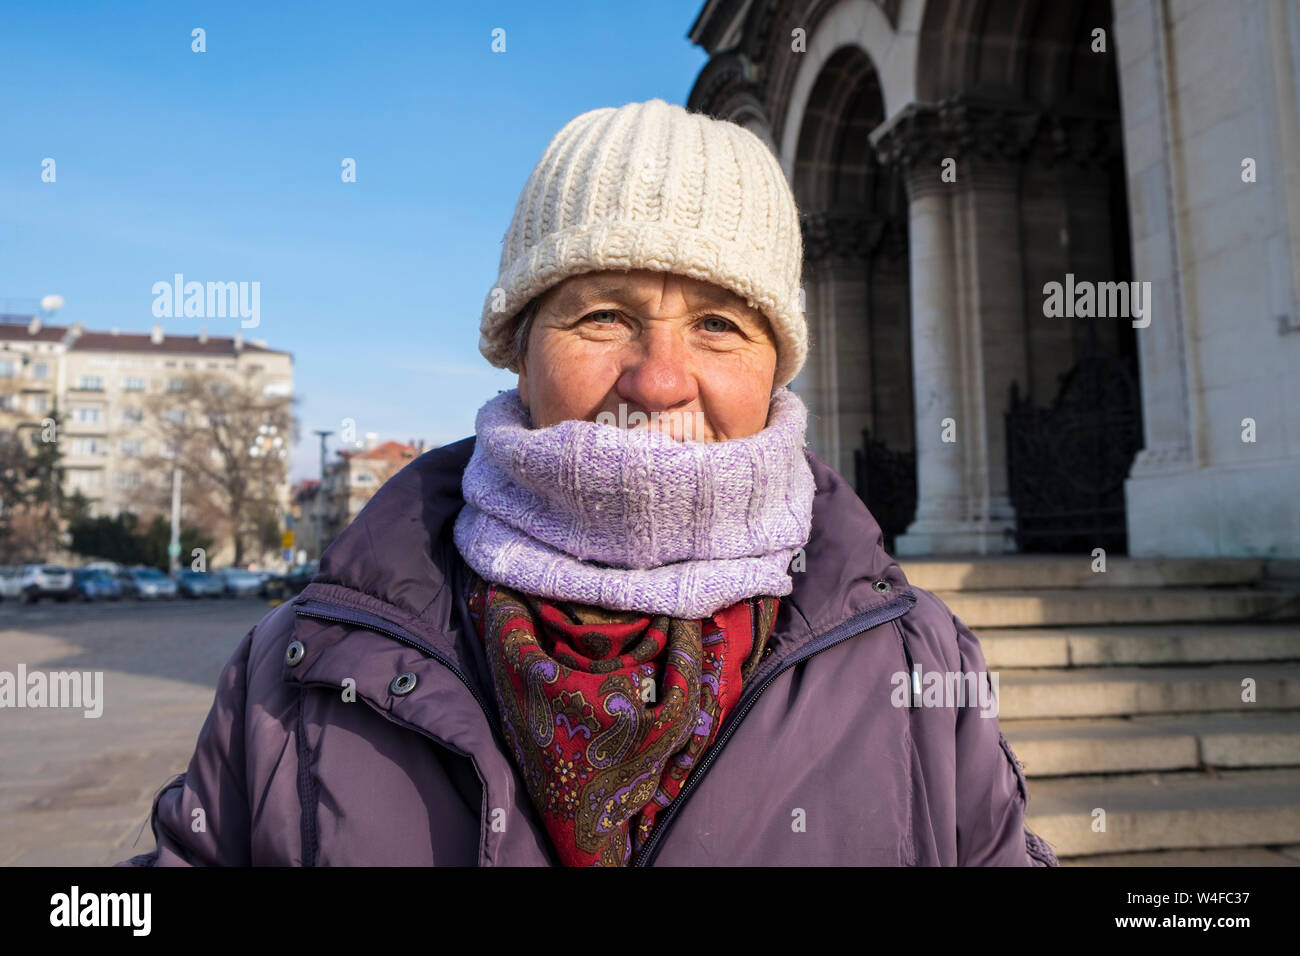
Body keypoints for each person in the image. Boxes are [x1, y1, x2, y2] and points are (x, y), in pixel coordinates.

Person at [120, 98, 1058, 866]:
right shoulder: (307, 663)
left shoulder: (915, 664)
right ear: (518, 353)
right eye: (603, 315)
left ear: (779, 365)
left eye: (720, 324)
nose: (658, 379)